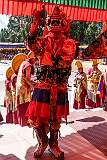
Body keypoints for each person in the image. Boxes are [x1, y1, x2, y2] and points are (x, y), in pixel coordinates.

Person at [25, 6, 76, 159]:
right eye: (52, 21)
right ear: (47, 23)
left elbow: (64, 61)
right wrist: (35, 23)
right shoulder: (42, 41)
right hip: (43, 86)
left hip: (58, 87)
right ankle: (43, 143)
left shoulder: (69, 43)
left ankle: (54, 144)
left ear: (63, 24)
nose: (54, 24)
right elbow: (30, 44)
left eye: (57, 21)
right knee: (36, 118)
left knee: (55, 119)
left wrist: (51, 57)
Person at [16, 51, 35, 126]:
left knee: (22, 104)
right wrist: (33, 86)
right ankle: (26, 122)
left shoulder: (24, 62)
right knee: (25, 104)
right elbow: (27, 79)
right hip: (24, 88)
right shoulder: (28, 65)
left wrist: (33, 82)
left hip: (20, 86)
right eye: (36, 59)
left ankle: (22, 122)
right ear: (33, 59)